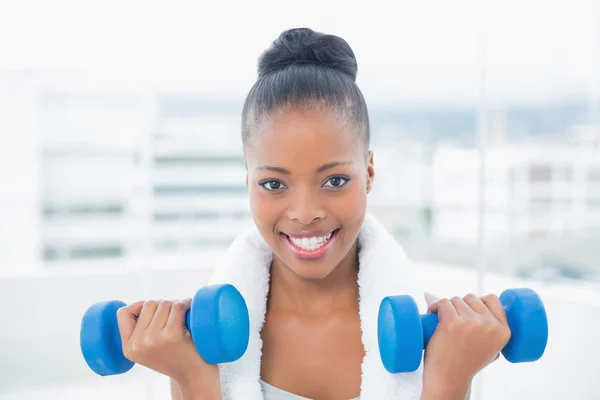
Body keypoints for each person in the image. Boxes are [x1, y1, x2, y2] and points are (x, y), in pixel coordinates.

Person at [116, 28, 511, 400]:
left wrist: (449, 377)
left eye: (335, 181)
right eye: (274, 184)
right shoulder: (203, 339)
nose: (305, 214)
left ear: (369, 173)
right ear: (248, 181)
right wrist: (193, 376)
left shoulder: (433, 333)